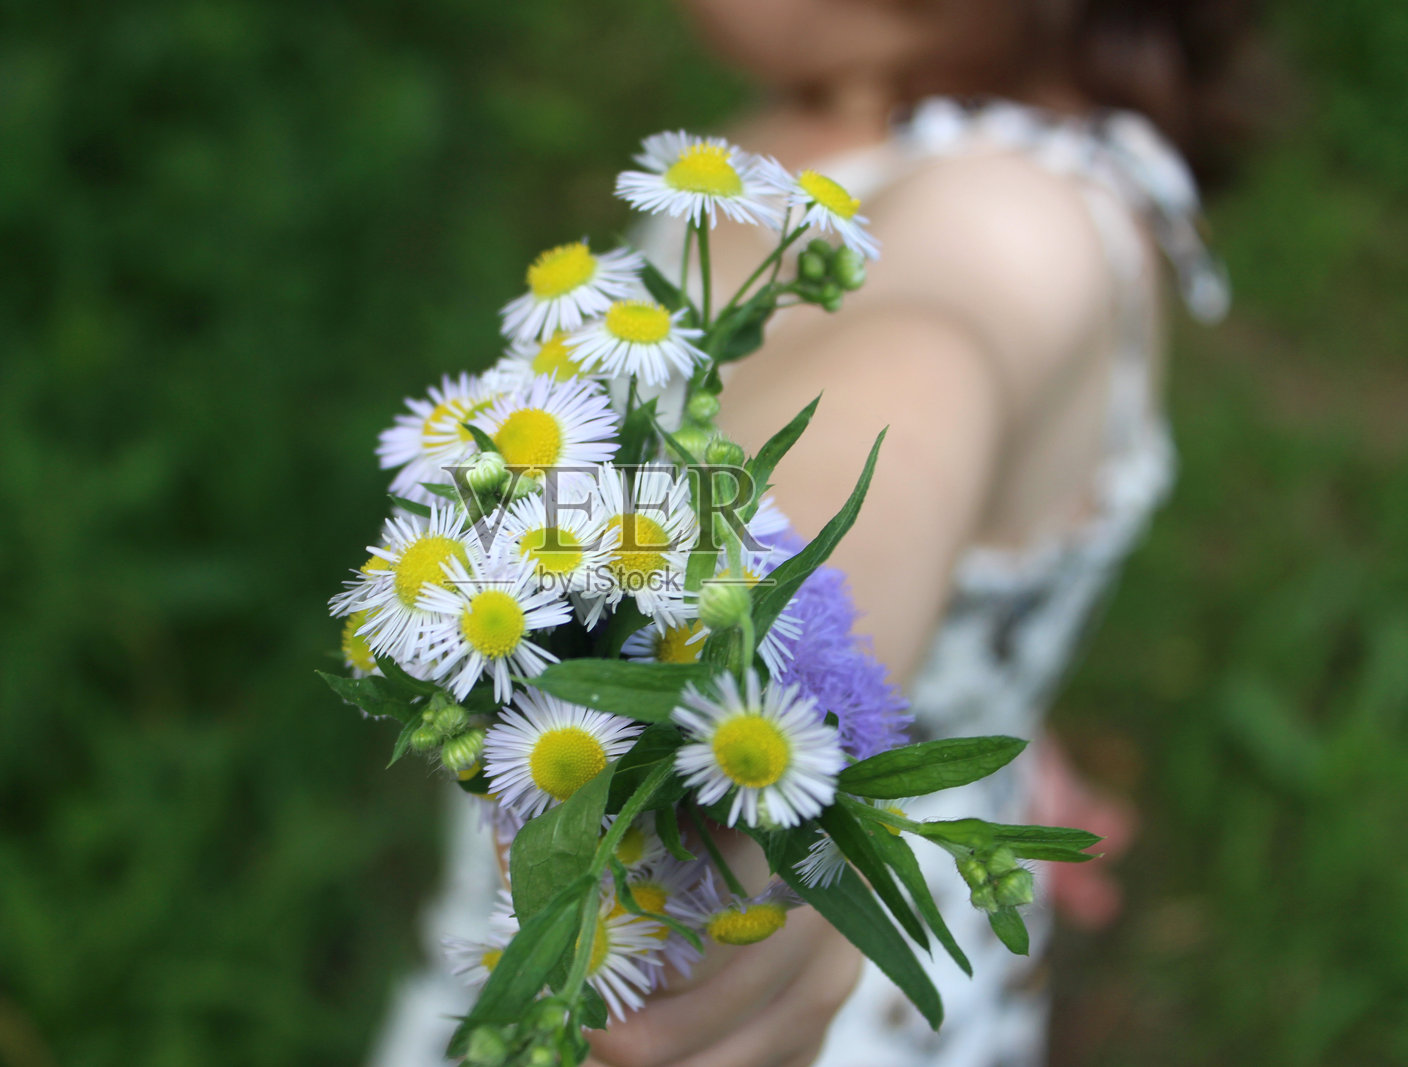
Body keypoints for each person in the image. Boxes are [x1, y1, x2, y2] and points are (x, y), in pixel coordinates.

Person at [369, 2, 1257, 1064]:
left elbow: (910, 388)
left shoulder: (1016, 224)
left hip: (779, 987)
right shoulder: (830, 124)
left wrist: (755, 764)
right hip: (549, 884)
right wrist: (985, 696)